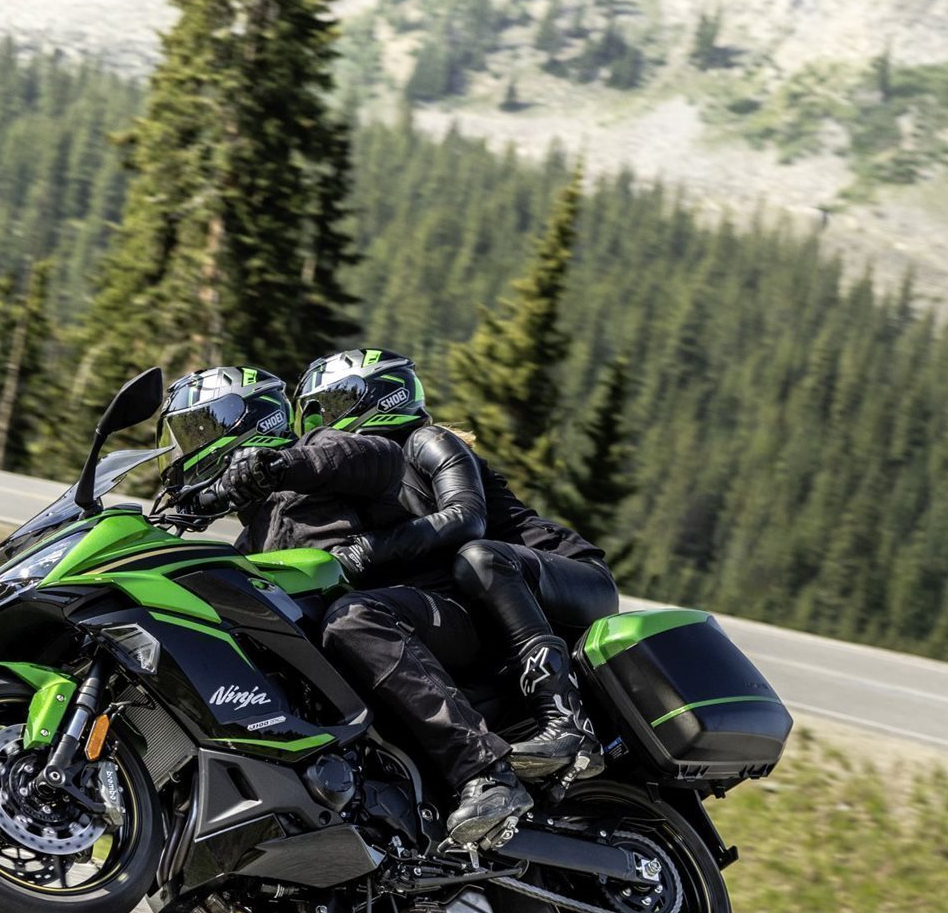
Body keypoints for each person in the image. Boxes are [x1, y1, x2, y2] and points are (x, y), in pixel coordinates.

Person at [159, 366, 530, 848]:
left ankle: (487, 773)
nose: (185, 448)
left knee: (351, 618)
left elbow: (375, 457)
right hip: (385, 642)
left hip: (439, 613)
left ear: (244, 422)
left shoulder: (322, 452)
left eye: (196, 431)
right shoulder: (253, 538)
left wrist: (278, 464)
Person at [294, 349, 620, 780]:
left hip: (571, 575)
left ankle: (568, 722)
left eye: (334, 404)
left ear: (381, 397)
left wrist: (368, 550)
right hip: (504, 597)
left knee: (479, 557)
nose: (322, 424)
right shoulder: (368, 481)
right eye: (314, 412)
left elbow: (466, 518)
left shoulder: (426, 440)